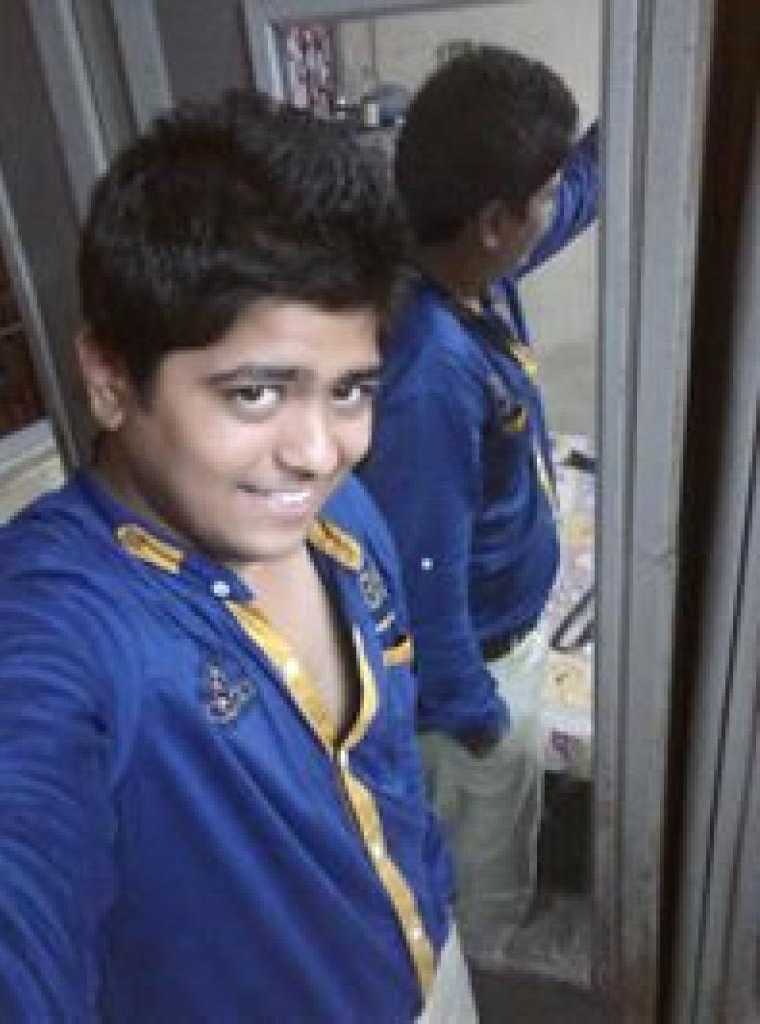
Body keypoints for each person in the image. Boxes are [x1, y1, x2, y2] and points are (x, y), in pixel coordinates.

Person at [0, 91, 478, 1023]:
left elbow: (389, 770)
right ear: (108, 378)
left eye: (349, 390)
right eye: (255, 393)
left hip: (429, 959)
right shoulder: (56, 619)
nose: (319, 452)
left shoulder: (342, 518)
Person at [359, 46, 599, 965]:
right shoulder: (428, 371)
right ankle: (483, 978)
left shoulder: (459, 264)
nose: (555, 207)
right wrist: (480, 722)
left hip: (499, 645)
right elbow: (422, 577)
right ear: (496, 221)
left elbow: (575, 197)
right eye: (542, 195)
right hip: (475, 682)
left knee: (492, 848)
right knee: (482, 877)